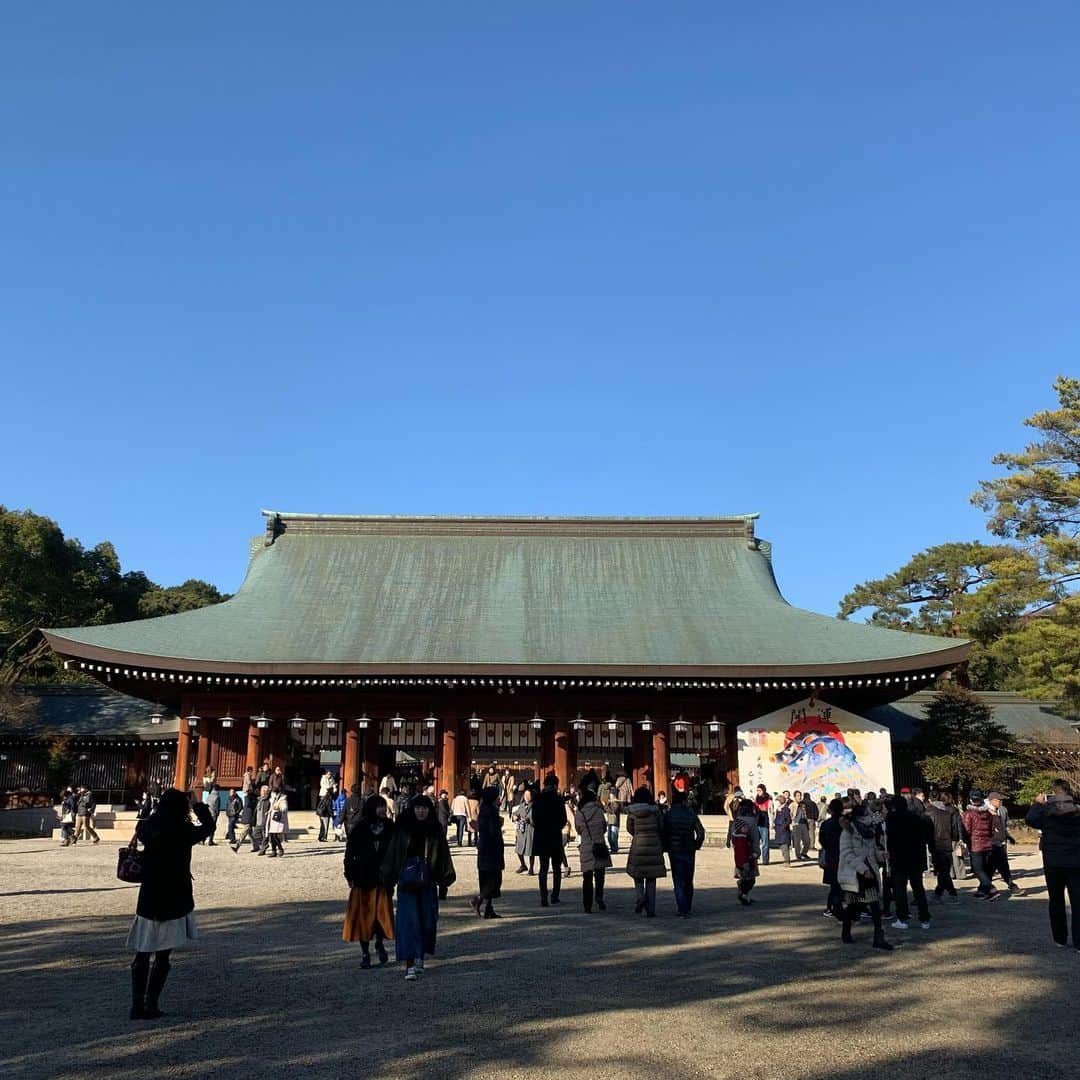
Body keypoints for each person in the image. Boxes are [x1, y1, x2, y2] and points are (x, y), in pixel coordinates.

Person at [126, 788, 215, 1019]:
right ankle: (152, 1003)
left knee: (142, 954)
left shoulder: (147, 827)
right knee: (163, 956)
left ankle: (136, 1005)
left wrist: (153, 808)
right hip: (176, 894)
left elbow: (143, 822)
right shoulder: (183, 830)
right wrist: (197, 804)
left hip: (150, 894)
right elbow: (209, 826)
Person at [381, 795, 456, 981]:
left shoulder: (435, 829)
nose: (421, 811)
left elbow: (443, 855)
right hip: (406, 881)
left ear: (430, 810)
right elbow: (392, 854)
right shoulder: (402, 828)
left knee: (426, 921)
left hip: (427, 881)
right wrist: (387, 878)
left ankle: (420, 956)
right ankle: (409, 965)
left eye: (424, 808)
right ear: (412, 809)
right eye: (418, 808)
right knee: (408, 923)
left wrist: (445, 878)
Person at [1026, 779, 1080, 950]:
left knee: (1056, 900)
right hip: (1076, 861)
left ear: (1053, 793)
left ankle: (1060, 938)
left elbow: (1030, 820)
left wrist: (1036, 804)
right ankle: (1079, 942)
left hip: (1053, 862)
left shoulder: (1046, 811)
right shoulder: (1078, 810)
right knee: (1078, 902)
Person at [343, 794, 395, 967]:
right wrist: (349, 875)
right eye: (379, 806)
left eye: (383, 806)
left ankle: (379, 943)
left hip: (382, 880)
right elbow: (350, 854)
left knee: (381, 917)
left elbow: (396, 852)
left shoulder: (390, 827)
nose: (382, 809)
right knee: (363, 919)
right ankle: (365, 953)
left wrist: (393, 875)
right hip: (363, 879)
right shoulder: (360, 828)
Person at [838, 797, 893, 951]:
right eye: (866, 816)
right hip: (856, 874)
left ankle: (878, 937)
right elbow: (847, 854)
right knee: (853, 906)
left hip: (870, 872)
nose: (869, 818)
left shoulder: (868, 832)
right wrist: (863, 869)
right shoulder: (847, 832)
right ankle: (846, 932)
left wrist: (880, 854)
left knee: (874, 905)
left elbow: (872, 850)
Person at [885, 794, 933, 931]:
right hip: (915, 857)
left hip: (899, 857)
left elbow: (890, 837)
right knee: (918, 888)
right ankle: (924, 918)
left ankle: (902, 918)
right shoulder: (916, 817)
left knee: (900, 889)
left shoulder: (891, 818)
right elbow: (925, 835)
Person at [625, 785, 666, 917]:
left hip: (638, 844)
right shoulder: (655, 811)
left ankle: (640, 897)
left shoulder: (632, 812)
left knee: (637, 875)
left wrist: (637, 834)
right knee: (651, 878)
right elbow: (661, 826)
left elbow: (629, 828)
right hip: (653, 844)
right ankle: (651, 909)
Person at [664, 789, 706, 916]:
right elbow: (701, 832)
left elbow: (664, 831)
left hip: (674, 848)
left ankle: (682, 907)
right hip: (689, 848)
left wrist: (665, 846)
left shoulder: (669, 815)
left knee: (678, 879)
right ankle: (687, 905)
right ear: (684, 801)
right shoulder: (691, 814)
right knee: (688, 879)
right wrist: (696, 845)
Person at [470, 787, 504, 919]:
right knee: (494, 879)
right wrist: (499, 825)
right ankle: (478, 899)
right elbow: (492, 831)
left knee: (487, 878)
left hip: (484, 848)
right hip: (491, 849)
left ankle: (489, 909)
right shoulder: (491, 811)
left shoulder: (484, 810)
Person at [575, 785, 610, 913]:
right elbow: (604, 827)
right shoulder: (599, 810)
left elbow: (578, 829)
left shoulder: (580, 812)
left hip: (586, 846)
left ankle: (587, 905)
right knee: (600, 876)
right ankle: (599, 898)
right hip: (599, 844)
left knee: (587, 877)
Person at [532, 774, 566, 906]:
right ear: (554, 785)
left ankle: (543, 897)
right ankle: (555, 895)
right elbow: (563, 819)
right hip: (555, 836)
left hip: (541, 836)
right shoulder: (558, 800)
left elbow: (534, 818)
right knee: (556, 868)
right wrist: (556, 826)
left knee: (543, 868)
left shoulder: (538, 799)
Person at [961, 790, 1001, 901]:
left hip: (975, 845)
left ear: (970, 800)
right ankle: (982, 891)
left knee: (978, 870)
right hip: (987, 843)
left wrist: (966, 841)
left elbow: (966, 830)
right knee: (985, 868)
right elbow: (992, 829)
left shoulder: (968, 814)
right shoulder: (988, 813)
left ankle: (991, 889)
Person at [925, 790, 961, 902]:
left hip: (935, 845)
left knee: (942, 871)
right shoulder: (947, 813)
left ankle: (946, 893)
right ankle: (944, 893)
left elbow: (926, 831)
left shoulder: (927, 814)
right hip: (947, 843)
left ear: (930, 800)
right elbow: (954, 829)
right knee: (944, 870)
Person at [727, 798, 761, 905]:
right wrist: (757, 851)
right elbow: (755, 838)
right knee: (751, 877)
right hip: (749, 852)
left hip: (738, 852)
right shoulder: (751, 821)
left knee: (743, 873)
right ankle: (743, 893)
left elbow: (733, 837)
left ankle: (745, 894)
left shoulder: (736, 821)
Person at [986, 791, 1021, 894]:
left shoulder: (1002, 810)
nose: (1001, 802)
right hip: (991, 843)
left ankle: (986, 887)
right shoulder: (986, 812)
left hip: (1000, 843)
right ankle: (1010, 886)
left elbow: (1003, 826)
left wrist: (1008, 836)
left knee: (1001, 866)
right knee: (993, 867)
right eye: (999, 800)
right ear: (992, 800)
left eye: (1001, 800)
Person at [818, 797, 844, 918]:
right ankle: (837, 909)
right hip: (844, 857)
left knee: (834, 886)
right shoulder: (845, 824)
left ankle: (832, 908)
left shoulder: (826, 824)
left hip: (831, 857)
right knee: (842, 885)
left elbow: (822, 841)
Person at [513, 788, 536, 874]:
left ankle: (531, 868)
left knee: (531, 851)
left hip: (530, 830)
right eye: (525, 795)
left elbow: (537, 818)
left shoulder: (534, 806)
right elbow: (516, 813)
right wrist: (514, 817)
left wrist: (529, 820)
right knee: (519, 849)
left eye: (528, 795)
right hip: (522, 831)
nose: (527, 797)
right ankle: (523, 865)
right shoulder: (522, 805)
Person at [230, 787, 257, 852]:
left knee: (243, 833)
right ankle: (256, 846)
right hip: (248, 818)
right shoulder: (251, 799)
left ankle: (237, 846)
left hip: (249, 819)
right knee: (251, 834)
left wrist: (246, 797)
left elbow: (248, 805)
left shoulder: (250, 799)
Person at [264, 787, 288, 857]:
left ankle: (280, 849)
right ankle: (273, 851)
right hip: (272, 819)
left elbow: (284, 808)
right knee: (271, 836)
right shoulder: (273, 799)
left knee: (275, 836)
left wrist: (278, 807)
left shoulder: (282, 799)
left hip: (278, 820)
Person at [602, 780, 623, 854]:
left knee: (613, 836)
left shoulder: (616, 802)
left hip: (615, 822)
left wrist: (606, 805)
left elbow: (613, 810)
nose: (610, 795)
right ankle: (612, 848)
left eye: (611, 794)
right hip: (609, 821)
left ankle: (614, 848)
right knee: (609, 836)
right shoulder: (610, 802)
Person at [772, 794, 792, 867]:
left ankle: (787, 861)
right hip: (778, 830)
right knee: (781, 845)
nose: (776, 802)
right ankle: (785, 860)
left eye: (777, 800)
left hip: (783, 831)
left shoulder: (785, 809)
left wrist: (784, 826)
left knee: (784, 845)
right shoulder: (778, 809)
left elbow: (789, 820)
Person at [754, 785, 772, 865]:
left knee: (765, 843)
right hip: (756, 822)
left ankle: (765, 860)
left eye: (760, 790)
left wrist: (772, 823)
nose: (758, 792)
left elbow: (770, 811)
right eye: (757, 790)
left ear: (764, 790)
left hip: (764, 823)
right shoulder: (756, 799)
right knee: (755, 843)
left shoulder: (768, 799)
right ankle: (755, 858)